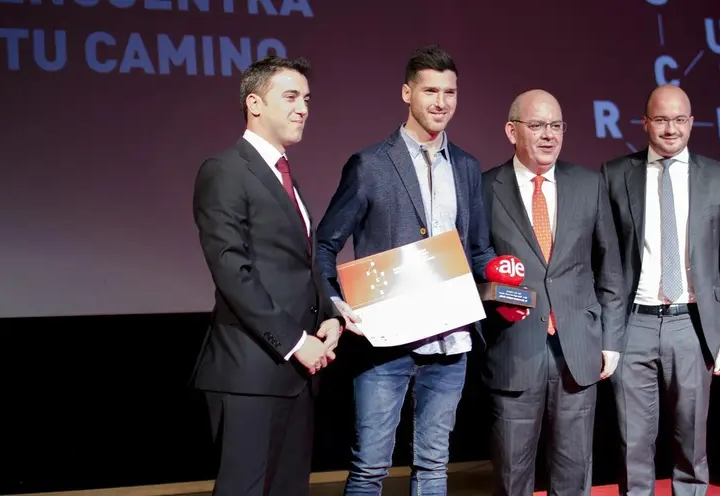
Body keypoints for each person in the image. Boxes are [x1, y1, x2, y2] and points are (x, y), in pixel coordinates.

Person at [314, 45, 497, 495]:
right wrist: (338, 304)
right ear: (406, 93)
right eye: (430, 90)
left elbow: (478, 250)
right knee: (371, 468)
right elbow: (324, 244)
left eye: (450, 92)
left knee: (434, 467)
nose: (441, 102)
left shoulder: (469, 168)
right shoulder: (370, 165)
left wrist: (503, 285)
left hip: (451, 342)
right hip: (386, 346)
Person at [190, 55, 345, 496]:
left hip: (298, 375)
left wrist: (329, 314)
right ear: (254, 103)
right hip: (252, 372)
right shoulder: (225, 170)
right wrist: (298, 344)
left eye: (307, 99)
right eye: (291, 97)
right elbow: (231, 271)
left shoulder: (285, 177)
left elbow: (302, 260)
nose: (304, 109)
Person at [601, 84, 720, 496]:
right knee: (633, 444)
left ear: (691, 122)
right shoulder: (615, 175)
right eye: (661, 120)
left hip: (693, 326)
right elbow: (606, 263)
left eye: (679, 120)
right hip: (633, 327)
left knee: (691, 444)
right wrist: (608, 333)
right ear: (645, 123)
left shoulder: (719, 177)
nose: (670, 129)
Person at [479, 89, 626, 496]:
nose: (549, 135)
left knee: (574, 477)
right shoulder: (485, 188)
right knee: (512, 479)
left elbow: (610, 269)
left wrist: (610, 341)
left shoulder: (588, 184)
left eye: (556, 126)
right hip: (513, 350)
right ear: (512, 130)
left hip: (577, 351)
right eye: (538, 125)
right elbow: (472, 267)